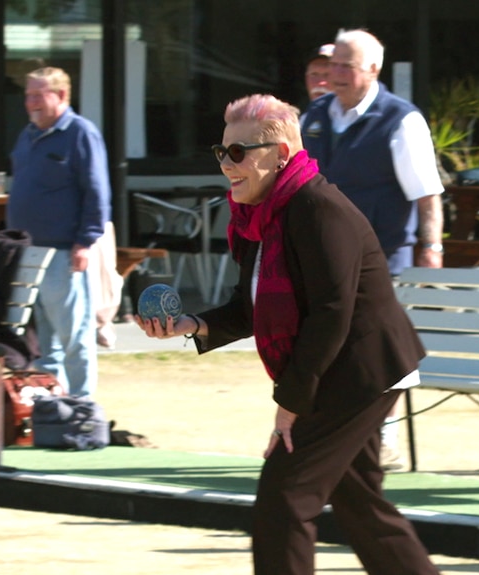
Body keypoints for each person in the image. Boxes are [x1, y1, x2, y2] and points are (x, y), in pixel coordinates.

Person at [136, 94, 440, 575]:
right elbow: (249, 305)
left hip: (361, 371)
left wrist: (291, 402)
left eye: (239, 153)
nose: (226, 164)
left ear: (279, 155)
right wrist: (191, 324)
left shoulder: (319, 209)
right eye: (222, 152)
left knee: (284, 500)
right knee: (361, 506)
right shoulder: (264, 216)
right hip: (338, 368)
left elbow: (331, 314)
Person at [301, 29, 444, 471]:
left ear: (373, 70)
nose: (335, 75)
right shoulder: (315, 116)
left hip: (383, 258)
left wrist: (431, 248)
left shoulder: (401, 120)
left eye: (347, 66)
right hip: (322, 260)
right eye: (331, 66)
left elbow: (426, 194)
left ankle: (383, 440)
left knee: (376, 353)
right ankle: (325, 437)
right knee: (324, 349)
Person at [7, 66, 111, 397]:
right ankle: (51, 405)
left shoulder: (80, 133)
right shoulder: (27, 135)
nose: (31, 103)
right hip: (29, 254)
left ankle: (82, 405)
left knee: (74, 336)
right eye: (28, 95)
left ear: (62, 95)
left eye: (39, 95)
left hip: (64, 253)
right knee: (44, 342)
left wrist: (84, 242)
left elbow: (97, 193)